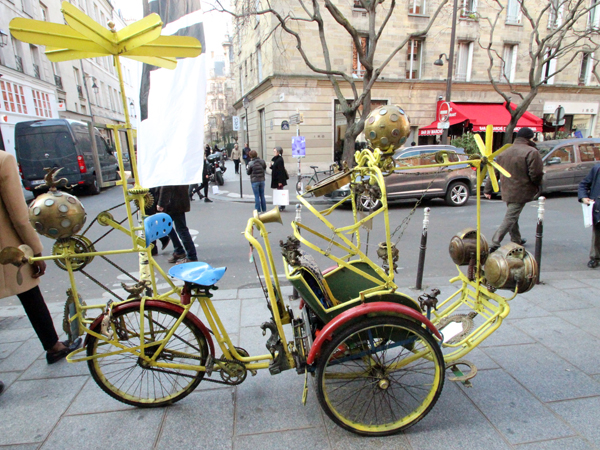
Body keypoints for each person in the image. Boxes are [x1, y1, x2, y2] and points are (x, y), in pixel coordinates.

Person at [0, 151, 81, 365]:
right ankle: (53, 346)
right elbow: (19, 216)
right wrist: (36, 251)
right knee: (30, 294)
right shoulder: (2, 160)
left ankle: (52, 345)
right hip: (7, 251)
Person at [484, 127, 543, 252]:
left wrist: (488, 189)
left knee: (512, 214)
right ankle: (494, 243)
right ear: (530, 138)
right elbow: (536, 173)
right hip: (522, 189)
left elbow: (494, 172)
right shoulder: (531, 152)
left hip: (507, 189)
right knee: (510, 217)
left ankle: (516, 239)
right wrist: (537, 185)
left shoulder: (504, 152)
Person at [157, 185, 198, 263]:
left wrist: (161, 203)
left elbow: (166, 186)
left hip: (173, 202)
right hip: (178, 200)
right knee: (167, 225)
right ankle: (180, 251)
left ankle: (191, 256)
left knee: (179, 229)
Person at [578, 164, 600, 268]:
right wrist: (583, 197)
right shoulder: (597, 169)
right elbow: (584, 184)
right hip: (598, 208)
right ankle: (595, 257)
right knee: (597, 234)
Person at [270, 146, 288, 211]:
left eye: (275, 151)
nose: (274, 152)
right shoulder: (275, 158)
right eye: (273, 151)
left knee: (280, 191)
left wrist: (280, 181)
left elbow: (281, 171)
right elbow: (274, 167)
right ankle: (280, 204)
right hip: (275, 178)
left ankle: (282, 205)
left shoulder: (280, 159)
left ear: (278, 152)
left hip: (279, 178)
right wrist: (271, 166)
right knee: (279, 191)